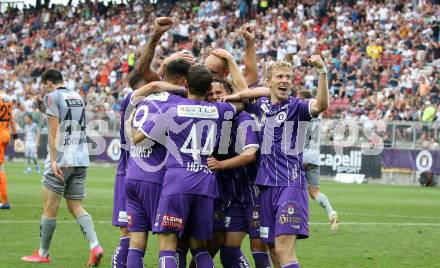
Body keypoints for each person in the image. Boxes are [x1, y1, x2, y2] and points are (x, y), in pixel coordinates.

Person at [222, 55, 329, 268]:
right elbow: (245, 88)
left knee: (283, 249)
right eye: (280, 76)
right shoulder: (261, 106)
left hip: (289, 185)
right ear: (268, 82)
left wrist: (322, 72)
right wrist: (231, 64)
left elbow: (321, 105)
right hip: (266, 188)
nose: (285, 80)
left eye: (288, 77)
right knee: (272, 249)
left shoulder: (296, 106)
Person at [133, 65, 242, 268]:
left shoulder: (172, 110)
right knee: (200, 247)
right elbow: (243, 101)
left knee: (167, 245)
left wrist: (132, 120)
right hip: (206, 184)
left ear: (185, 84)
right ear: (208, 87)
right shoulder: (219, 109)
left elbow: (137, 138)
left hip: (177, 182)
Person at [111, 16, 175, 268]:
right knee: (135, 237)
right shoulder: (139, 98)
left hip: (137, 174)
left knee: (135, 238)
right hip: (137, 171)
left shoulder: (149, 98)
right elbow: (142, 70)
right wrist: (156, 37)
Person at [22, 69, 103, 266]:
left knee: (50, 208)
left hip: (62, 158)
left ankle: (43, 253)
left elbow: (53, 129)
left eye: (44, 86)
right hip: (81, 157)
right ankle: (95, 246)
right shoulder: (77, 96)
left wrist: (53, 160)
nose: (44, 90)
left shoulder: (52, 97)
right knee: (75, 205)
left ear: (49, 83)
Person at [124, 59, 191, 268]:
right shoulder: (175, 103)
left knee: (136, 243)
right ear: (182, 81)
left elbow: (132, 133)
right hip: (156, 177)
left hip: (133, 174)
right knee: (169, 243)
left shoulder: (146, 98)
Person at [206, 79, 271, 268]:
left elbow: (250, 155)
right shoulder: (215, 122)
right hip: (232, 193)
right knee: (228, 250)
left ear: (229, 93)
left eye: (218, 92)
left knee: (259, 248)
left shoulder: (244, 118)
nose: (215, 97)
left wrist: (220, 164)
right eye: (210, 94)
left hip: (254, 190)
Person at [297, 90, 339, 233]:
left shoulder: (302, 117)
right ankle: (331, 212)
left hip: (301, 155)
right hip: (315, 157)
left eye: (299, 100)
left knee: (296, 189)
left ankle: (304, 221)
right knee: (314, 192)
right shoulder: (318, 118)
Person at [0, 89, 18, 209]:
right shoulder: (7, 98)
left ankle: (5, 200)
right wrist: (16, 136)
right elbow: (12, 119)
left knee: (0, 169)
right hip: (6, 133)